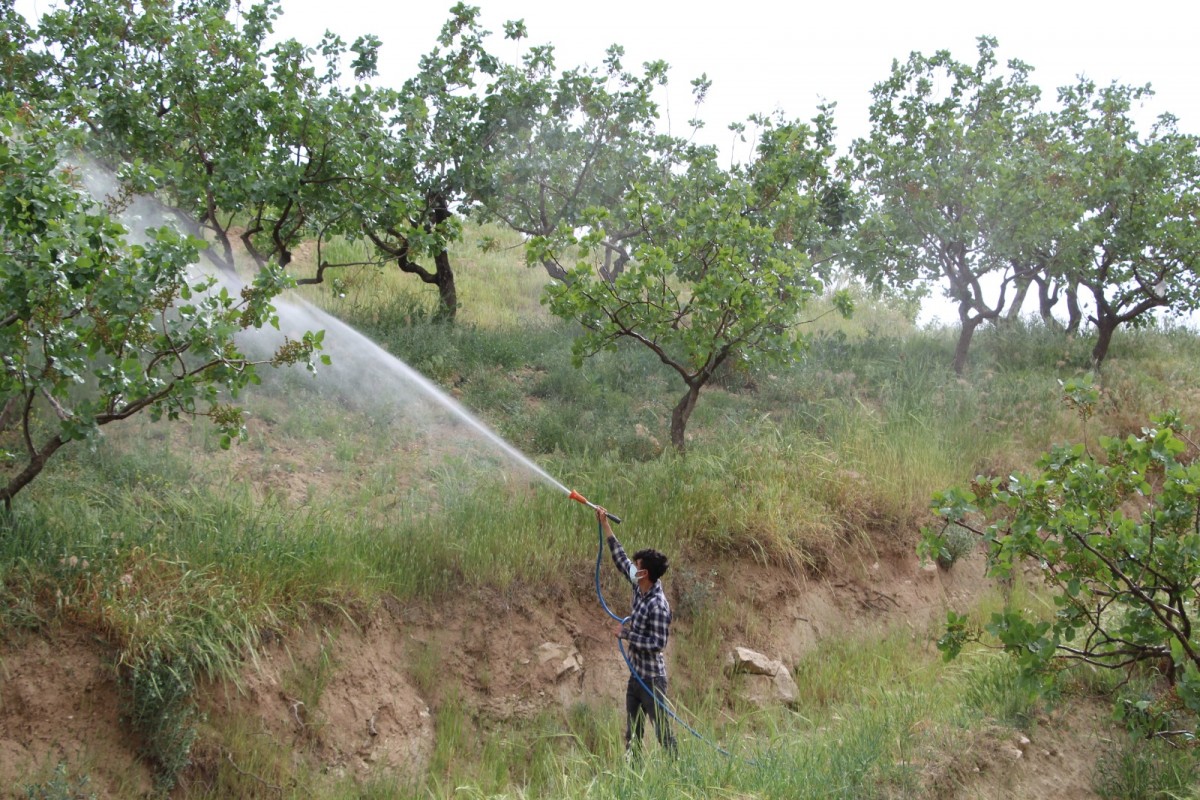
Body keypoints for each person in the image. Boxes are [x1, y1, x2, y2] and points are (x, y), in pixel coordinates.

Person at [597, 506, 678, 758]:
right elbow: (621, 560)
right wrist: (605, 525)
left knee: (664, 734)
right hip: (636, 678)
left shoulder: (658, 605)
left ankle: (677, 772)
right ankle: (634, 780)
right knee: (632, 736)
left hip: (653, 681)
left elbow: (657, 643)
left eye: (637, 565)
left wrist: (627, 634)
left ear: (645, 573)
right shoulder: (639, 586)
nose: (633, 567)